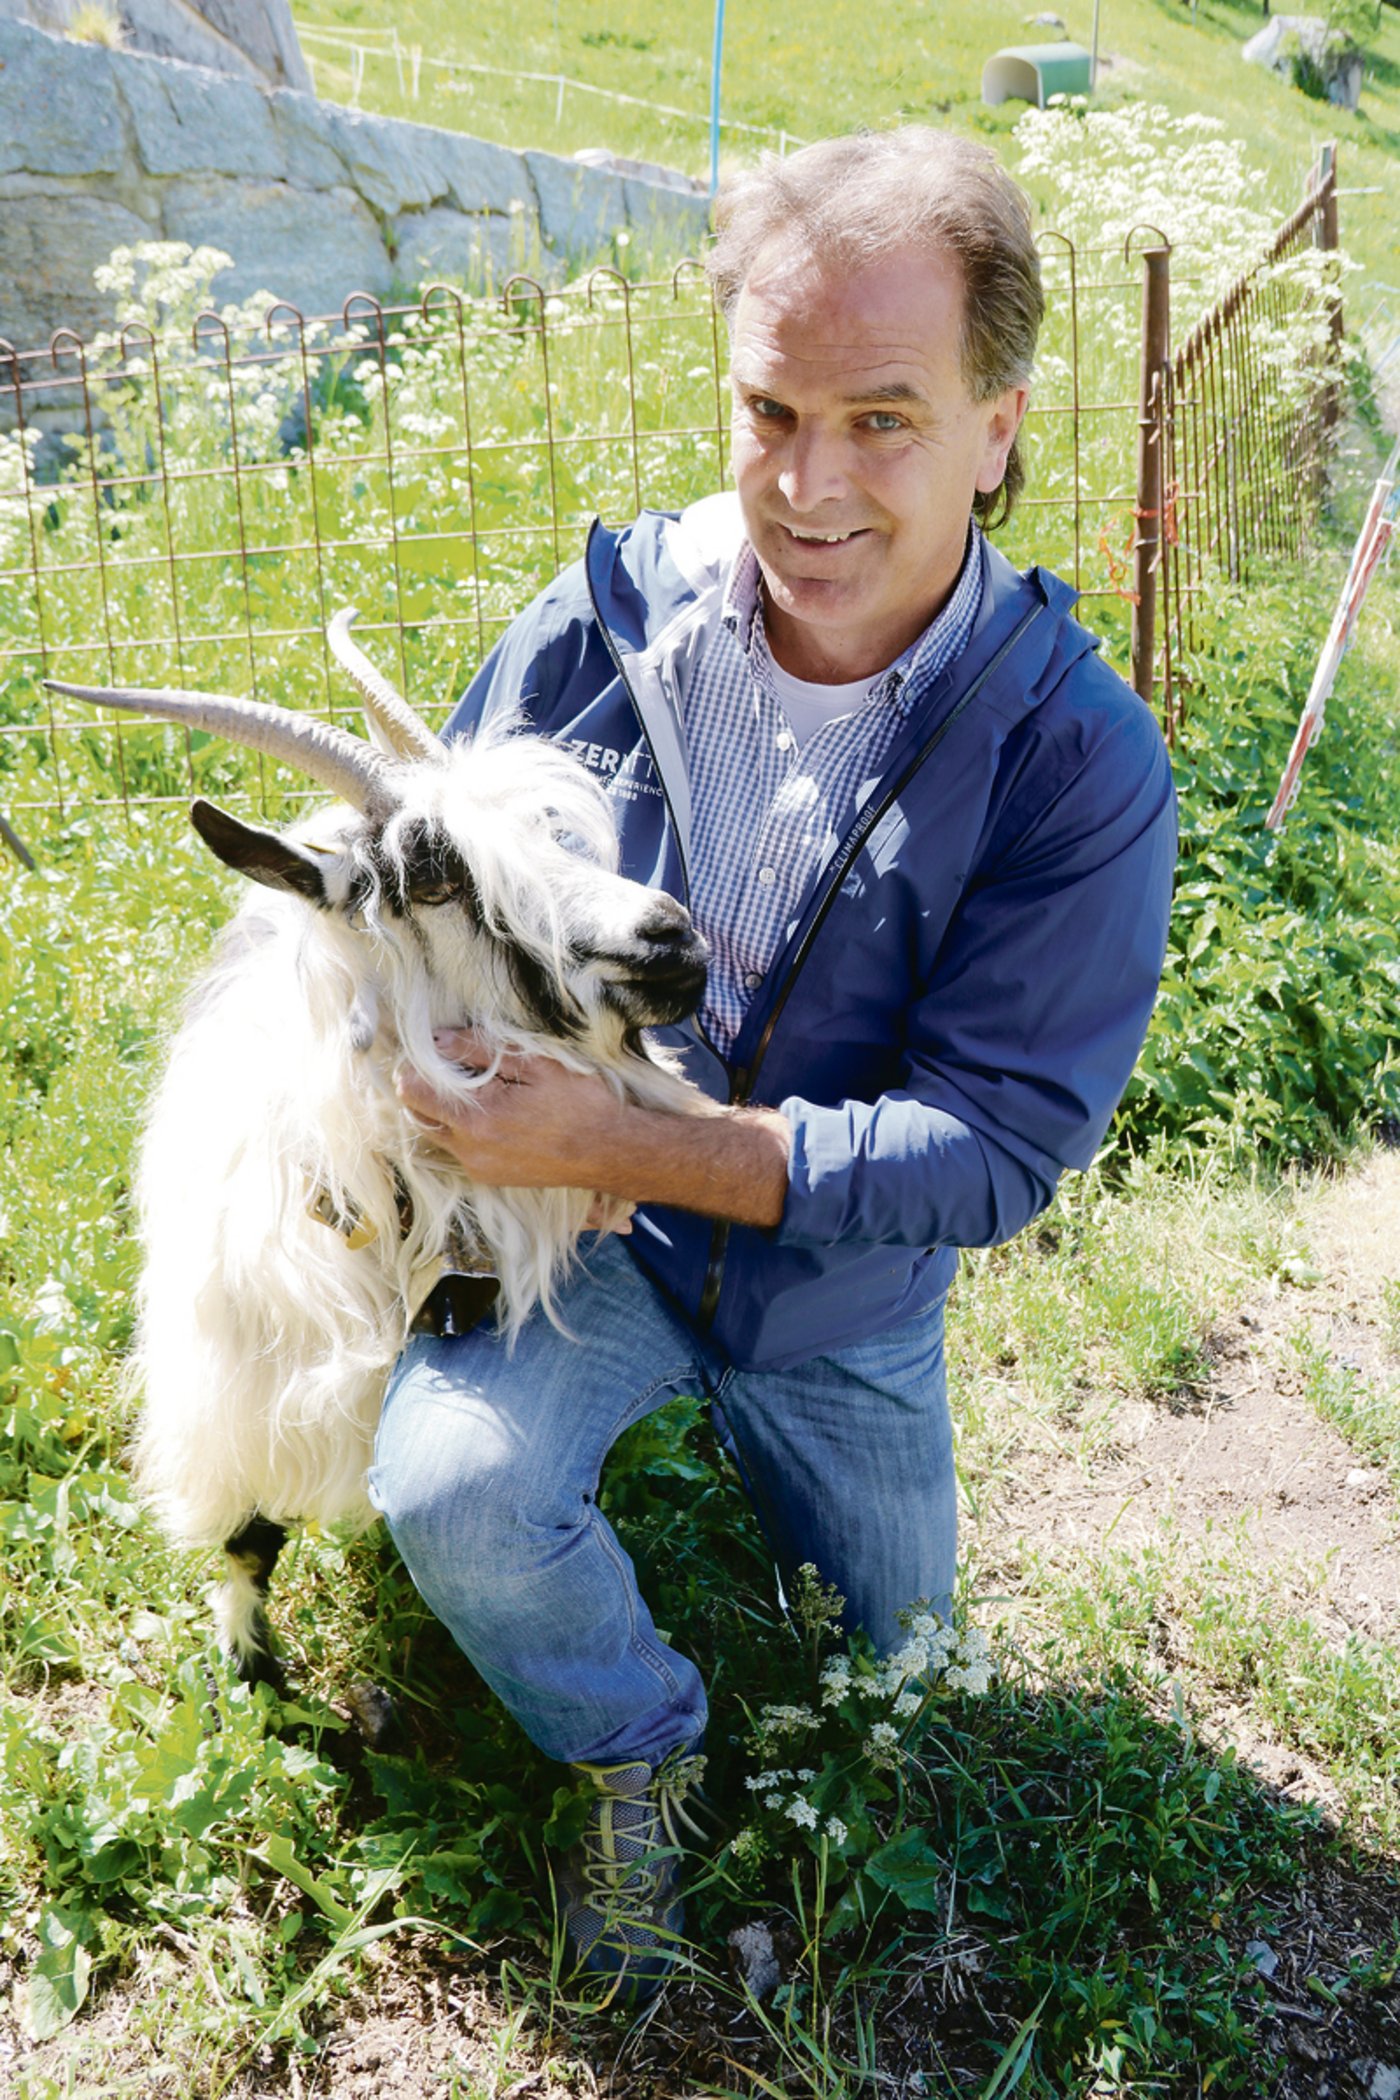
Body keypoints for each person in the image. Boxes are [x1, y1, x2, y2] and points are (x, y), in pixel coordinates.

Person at [371, 126, 1178, 2001]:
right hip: (592, 1251)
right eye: (770, 409)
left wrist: (633, 1137)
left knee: (903, 1689)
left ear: (999, 424)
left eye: (883, 418)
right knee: (453, 1496)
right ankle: (636, 1745)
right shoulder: (599, 633)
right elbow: (442, 897)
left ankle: (815, 1595)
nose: (808, 486)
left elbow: (994, 1151)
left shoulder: (1072, 757)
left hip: (844, 1301)